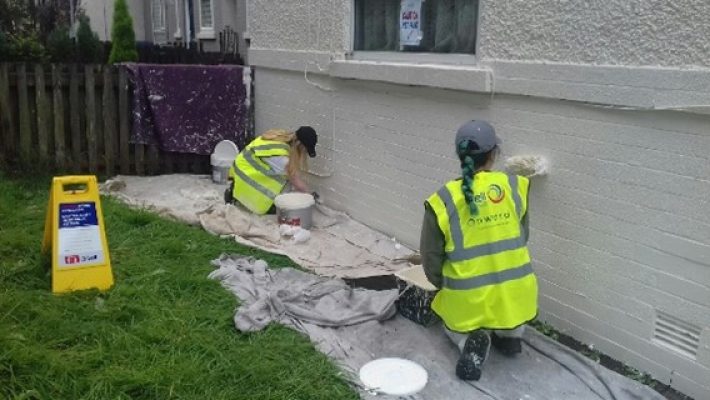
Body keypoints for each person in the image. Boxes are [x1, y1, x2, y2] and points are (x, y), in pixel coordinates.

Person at [420, 120, 538, 381]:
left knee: (452, 321)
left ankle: (469, 341)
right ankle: (510, 336)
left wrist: (442, 285)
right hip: (516, 295)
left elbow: (430, 257)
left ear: (459, 155)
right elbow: (523, 236)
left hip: (469, 298)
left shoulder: (444, 200)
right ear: (494, 154)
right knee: (508, 308)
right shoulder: (514, 187)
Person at [226, 126, 318, 214]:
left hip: (242, 165)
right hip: (245, 173)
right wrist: (309, 196)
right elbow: (296, 181)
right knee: (276, 207)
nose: (304, 153)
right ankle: (235, 193)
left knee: (281, 180)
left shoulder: (280, 137)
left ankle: (235, 187)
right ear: (299, 145)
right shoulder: (281, 158)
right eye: (305, 150)